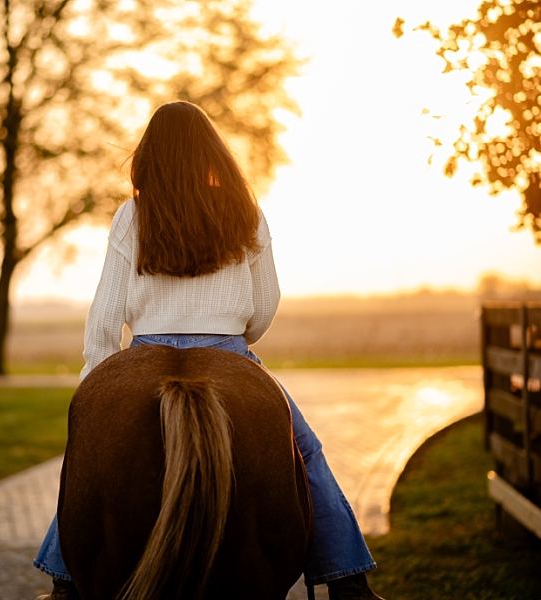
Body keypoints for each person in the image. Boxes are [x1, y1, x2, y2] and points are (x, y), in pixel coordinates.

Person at [34, 101, 384, 600]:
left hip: (145, 344)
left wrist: (98, 386)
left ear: (149, 155)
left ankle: (64, 582)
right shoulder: (246, 211)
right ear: (213, 151)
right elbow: (265, 307)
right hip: (229, 347)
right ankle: (348, 580)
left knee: (92, 450)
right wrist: (233, 337)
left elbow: (106, 316)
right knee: (304, 452)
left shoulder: (131, 215)